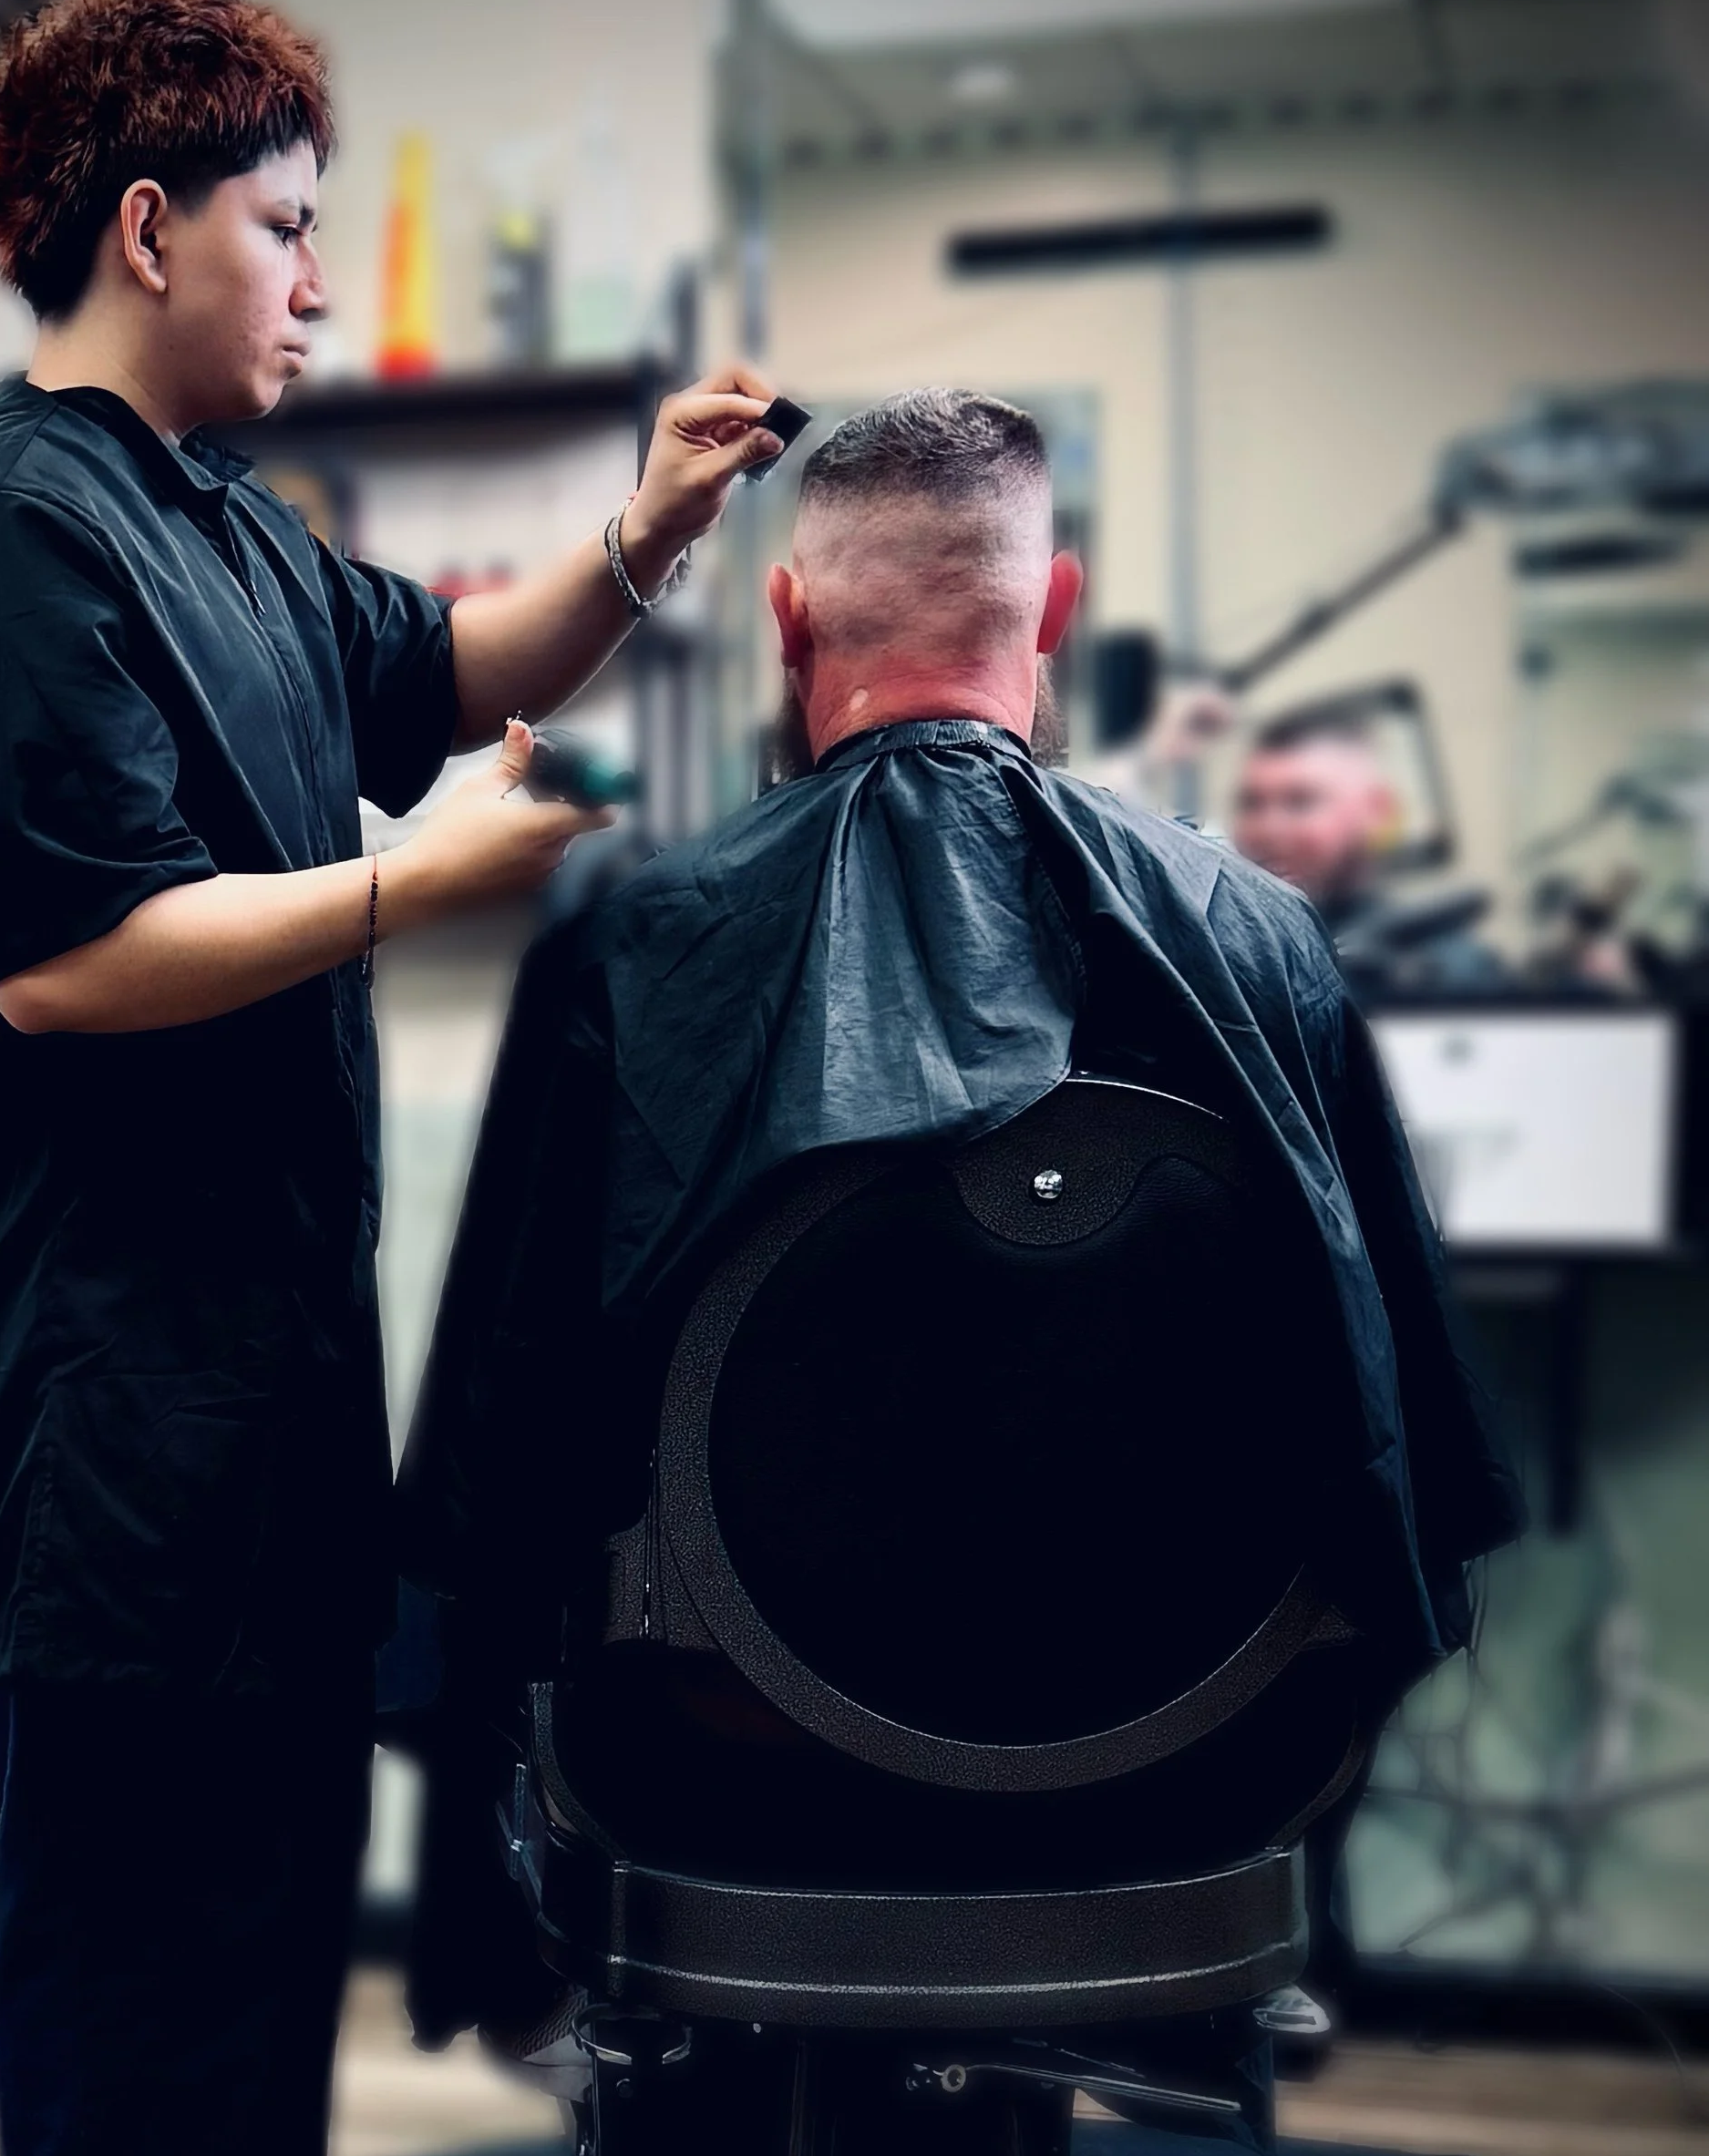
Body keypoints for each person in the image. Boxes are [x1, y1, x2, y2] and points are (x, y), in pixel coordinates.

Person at [0, 0, 787, 2156]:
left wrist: (642, 533)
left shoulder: (236, 535)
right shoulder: (10, 554)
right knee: (136, 1882)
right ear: (144, 230)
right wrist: (411, 886)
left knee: (262, 1853)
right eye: (281, 235)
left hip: (257, 1340)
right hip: (93, 1365)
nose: (308, 286)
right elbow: (61, 958)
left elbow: (447, 672)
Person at [395, 388, 1521, 2052]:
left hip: (731, 1745)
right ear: (1053, 607)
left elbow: (493, 1481)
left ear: (786, 620)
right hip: (1194, 1740)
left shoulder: (633, 960)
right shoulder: (1258, 940)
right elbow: (1407, 1435)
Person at [1229, 701, 1506, 998]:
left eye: (1300, 801)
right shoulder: (1215, 962)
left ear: (1379, 812)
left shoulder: (1452, 973)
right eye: (1251, 804)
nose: (1269, 828)